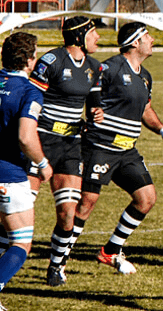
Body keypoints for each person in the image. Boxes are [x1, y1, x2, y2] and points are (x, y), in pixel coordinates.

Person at [62, 22, 163, 275]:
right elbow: (86, 88)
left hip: (127, 152)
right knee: (86, 204)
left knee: (146, 199)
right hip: (100, 147)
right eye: (147, 36)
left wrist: (162, 130)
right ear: (135, 42)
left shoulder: (145, 76)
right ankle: (61, 258)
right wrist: (93, 109)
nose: (153, 39)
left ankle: (111, 250)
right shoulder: (110, 67)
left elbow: (146, 110)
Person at [27, 16, 102, 286]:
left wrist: (96, 112)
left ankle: (56, 266)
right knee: (20, 209)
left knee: (68, 212)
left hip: (70, 146)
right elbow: (30, 97)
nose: (99, 38)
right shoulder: (52, 61)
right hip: (41, 140)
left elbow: (94, 103)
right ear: (79, 36)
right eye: (94, 33)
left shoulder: (95, 67)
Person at [0, 32, 53, 310]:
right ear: (30, 60)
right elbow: (25, 136)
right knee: (20, 244)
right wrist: (43, 164)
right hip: (9, 175)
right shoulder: (29, 91)